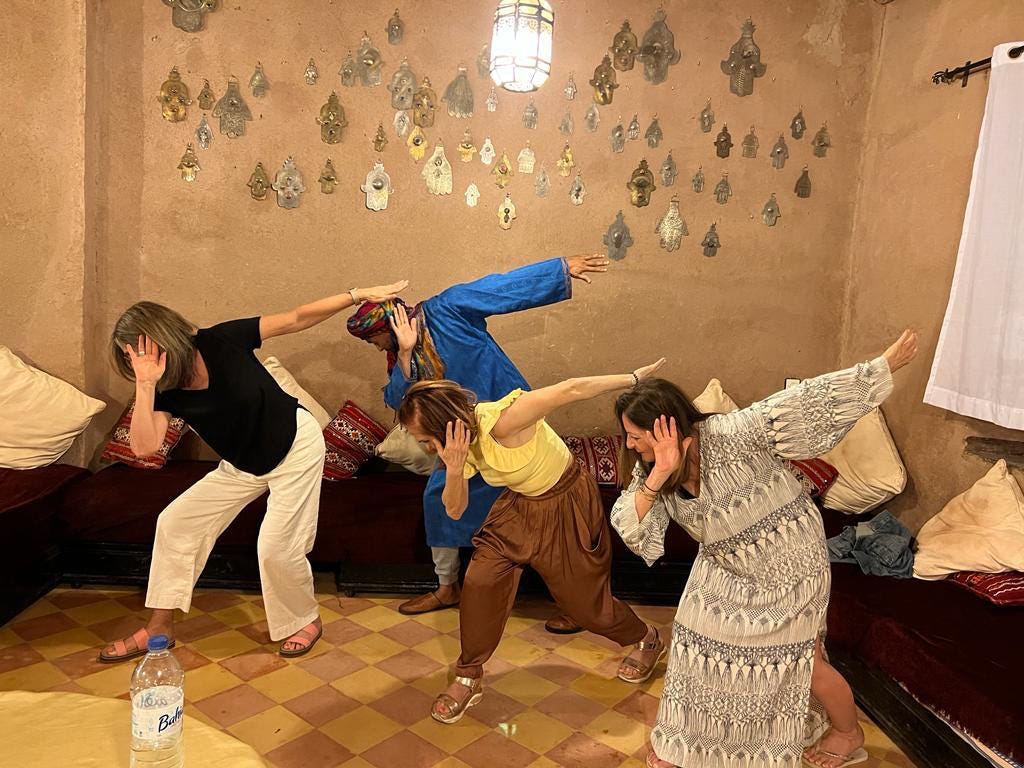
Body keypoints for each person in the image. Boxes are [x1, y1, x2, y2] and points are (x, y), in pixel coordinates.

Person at [610, 330, 919, 768]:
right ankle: (689, 744)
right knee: (694, 644)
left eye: (635, 435)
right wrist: (660, 471)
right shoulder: (651, 473)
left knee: (797, 661)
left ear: (668, 428)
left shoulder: (731, 434)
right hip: (724, 564)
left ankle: (848, 733)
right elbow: (628, 524)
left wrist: (879, 368)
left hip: (789, 560)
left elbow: (804, 404)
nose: (629, 444)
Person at [98, 281, 407, 663]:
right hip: (243, 464)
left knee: (276, 546)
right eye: (130, 360)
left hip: (295, 447)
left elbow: (294, 318)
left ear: (160, 339)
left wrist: (356, 295)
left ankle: (305, 619)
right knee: (175, 523)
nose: (136, 364)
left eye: (136, 354)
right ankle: (160, 627)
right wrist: (145, 386)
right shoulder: (163, 389)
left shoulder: (219, 341)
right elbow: (145, 447)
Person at [398, 359, 670, 724]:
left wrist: (632, 378)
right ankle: (469, 674)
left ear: (445, 425)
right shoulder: (457, 449)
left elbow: (570, 388)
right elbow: (455, 508)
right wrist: (456, 468)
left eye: (425, 439)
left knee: (585, 607)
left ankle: (647, 637)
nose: (427, 448)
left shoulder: (504, 420)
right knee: (480, 580)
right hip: (520, 505)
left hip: (566, 501)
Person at [346, 255, 607, 634]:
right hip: (461, 440)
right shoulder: (400, 353)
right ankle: (447, 587)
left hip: (510, 427)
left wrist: (562, 268)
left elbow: (502, 288)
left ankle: (577, 604)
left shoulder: (447, 308)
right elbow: (398, 400)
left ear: (386, 323)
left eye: (373, 339)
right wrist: (403, 353)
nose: (374, 347)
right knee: (439, 500)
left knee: (540, 515)